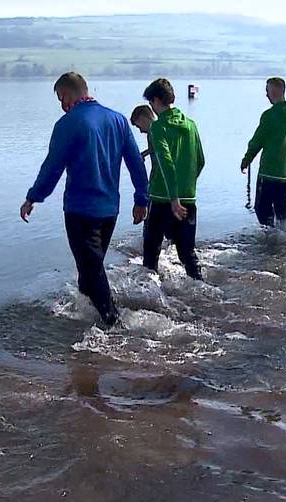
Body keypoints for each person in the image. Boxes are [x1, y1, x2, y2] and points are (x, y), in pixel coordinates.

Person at [20, 72, 149, 328]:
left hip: (80, 212)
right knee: (90, 268)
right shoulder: (118, 120)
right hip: (110, 210)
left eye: (61, 98)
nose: (61, 104)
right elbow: (136, 163)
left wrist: (34, 197)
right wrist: (141, 199)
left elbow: (52, 167)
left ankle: (114, 325)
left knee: (91, 269)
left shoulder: (68, 124)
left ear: (70, 94)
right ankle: (86, 319)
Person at [141, 78, 205, 280]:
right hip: (189, 199)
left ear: (157, 100)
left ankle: (152, 301)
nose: (151, 107)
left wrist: (174, 198)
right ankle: (202, 289)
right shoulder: (191, 125)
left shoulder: (159, 127)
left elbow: (165, 162)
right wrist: (186, 187)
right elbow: (201, 161)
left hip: (163, 199)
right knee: (187, 254)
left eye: (151, 103)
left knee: (151, 253)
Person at [240, 77, 286, 226]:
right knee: (284, 216)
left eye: (268, 91)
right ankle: (283, 243)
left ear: (275, 91)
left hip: (268, 172)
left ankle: (270, 241)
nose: (266, 95)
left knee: (261, 210)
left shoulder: (269, 116)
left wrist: (246, 160)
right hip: (285, 175)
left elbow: (257, 141)